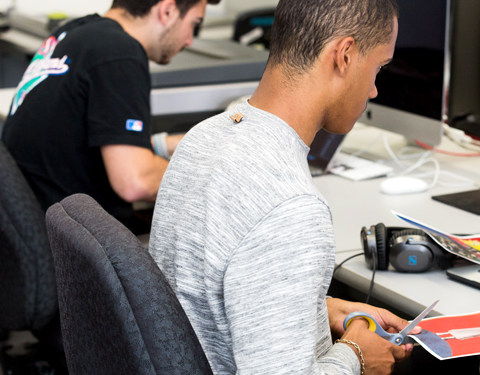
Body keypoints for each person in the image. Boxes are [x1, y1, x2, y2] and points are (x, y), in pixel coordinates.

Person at [147, 0, 419, 374]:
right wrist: (356, 355)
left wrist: (314, 308)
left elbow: (203, 297)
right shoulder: (291, 207)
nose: (373, 90)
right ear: (344, 55)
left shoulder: (201, 138)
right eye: (378, 67)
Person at [0, 0, 215, 234]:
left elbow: (76, 140)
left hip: (33, 235)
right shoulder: (120, 51)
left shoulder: (73, 32)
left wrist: (165, 144)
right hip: (73, 250)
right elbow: (135, 181)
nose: (189, 40)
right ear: (167, 10)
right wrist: (219, 182)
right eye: (194, 24)